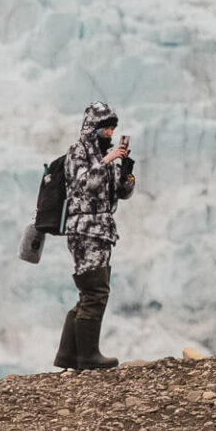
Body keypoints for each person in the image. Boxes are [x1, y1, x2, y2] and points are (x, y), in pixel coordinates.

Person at [56, 101, 136, 371]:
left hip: (102, 229)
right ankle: (88, 356)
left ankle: (69, 356)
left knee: (89, 293)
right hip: (83, 229)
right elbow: (83, 183)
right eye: (105, 127)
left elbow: (118, 194)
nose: (110, 132)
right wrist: (107, 160)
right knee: (95, 291)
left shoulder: (105, 154)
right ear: (92, 127)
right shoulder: (78, 151)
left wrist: (126, 176)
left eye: (112, 127)